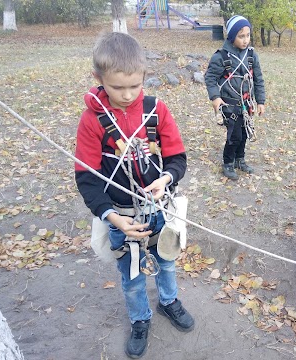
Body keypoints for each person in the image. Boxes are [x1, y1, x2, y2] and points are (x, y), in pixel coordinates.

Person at [74, 32, 194, 359]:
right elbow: (86, 178)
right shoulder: (93, 121)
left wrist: (167, 177)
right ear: (98, 79)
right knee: (131, 274)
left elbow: (177, 158)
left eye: (135, 86)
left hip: (159, 208)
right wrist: (113, 218)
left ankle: (168, 301)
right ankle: (140, 318)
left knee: (167, 261)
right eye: (117, 87)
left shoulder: (156, 111)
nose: (127, 95)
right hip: (121, 215)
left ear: (143, 76)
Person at [204, 15, 266, 180]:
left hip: (246, 105)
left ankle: (240, 159)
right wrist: (215, 97)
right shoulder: (221, 57)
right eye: (241, 36)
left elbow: (258, 79)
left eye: (247, 35)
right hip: (229, 105)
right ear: (231, 36)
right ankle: (228, 162)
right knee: (234, 135)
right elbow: (210, 78)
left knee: (245, 132)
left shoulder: (252, 55)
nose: (245, 40)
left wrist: (260, 101)